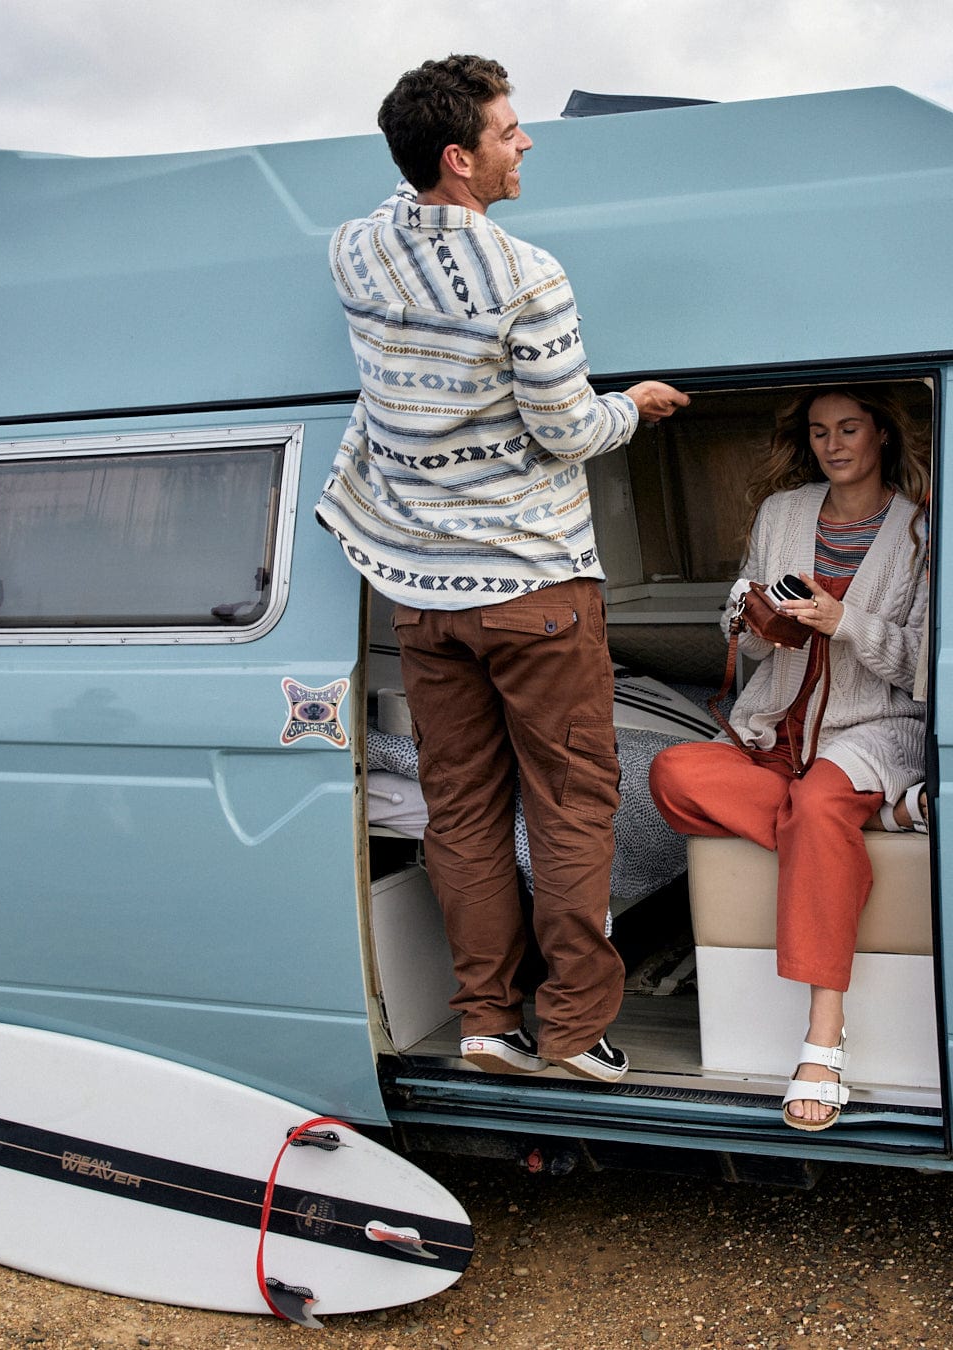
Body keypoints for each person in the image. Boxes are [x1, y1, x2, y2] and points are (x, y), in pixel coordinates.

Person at [316, 54, 688, 1080]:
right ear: (459, 157)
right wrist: (638, 407)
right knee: (572, 807)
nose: (526, 142)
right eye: (509, 131)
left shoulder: (353, 252)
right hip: (533, 589)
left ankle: (484, 1022)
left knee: (464, 809)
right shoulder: (529, 275)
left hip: (421, 596)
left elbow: (400, 211)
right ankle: (571, 1033)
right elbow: (567, 427)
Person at [649, 384, 929, 1130]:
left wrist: (846, 621)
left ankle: (823, 1036)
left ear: (881, 435)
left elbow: (925, 665)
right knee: (672, 773)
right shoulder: (783, 513)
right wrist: (750, 616)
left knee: (820, 799)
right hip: (773, 730)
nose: (833, 444)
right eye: (819, 432)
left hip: (868, 730)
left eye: (848, 429)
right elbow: (736, 605)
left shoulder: (921, 531)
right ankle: (867, 826)